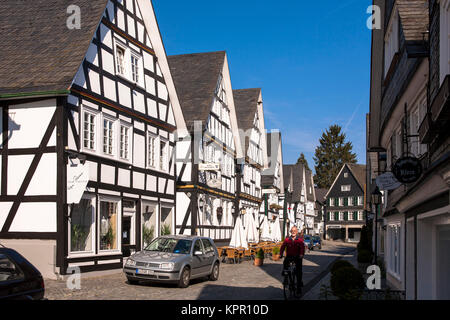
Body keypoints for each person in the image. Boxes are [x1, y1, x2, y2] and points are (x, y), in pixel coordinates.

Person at [279, 226, 305, 295]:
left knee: (299, 272)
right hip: (289, 256)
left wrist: (301, 254)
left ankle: (299, 287)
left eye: (295, 231)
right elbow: (282, 247)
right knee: (285, 262)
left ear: (297, 232)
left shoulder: (300, 240)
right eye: (292, 231)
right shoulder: (287, 239)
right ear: (290, 231)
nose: (293, 232)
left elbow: (302, 248)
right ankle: (286, 276)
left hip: (297, 257)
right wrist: (280, 254)